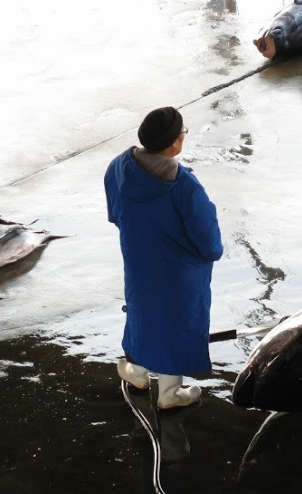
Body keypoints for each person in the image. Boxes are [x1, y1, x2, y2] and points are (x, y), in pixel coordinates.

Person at [105, 107, 223, 409]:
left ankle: (138, 374)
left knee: (141, 313)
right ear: (173, 144)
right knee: (176, 323)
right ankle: (169, 394)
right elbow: (209, 243)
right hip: (179, 274)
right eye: (183, 132)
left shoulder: (119, 165)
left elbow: (116, 213)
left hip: (138, 262)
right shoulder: (185, 187)